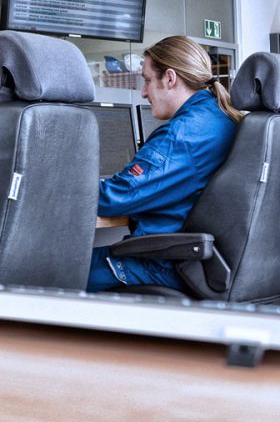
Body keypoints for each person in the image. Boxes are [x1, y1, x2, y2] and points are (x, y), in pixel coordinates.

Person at [87, 36, 243, 292]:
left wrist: (57, 185)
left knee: (49, 269)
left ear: (170, 78)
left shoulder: (181, 136)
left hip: (161, 265)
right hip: (200, 263)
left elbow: (115, 198)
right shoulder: (222, 117)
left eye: (147, 80)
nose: (144, 92)